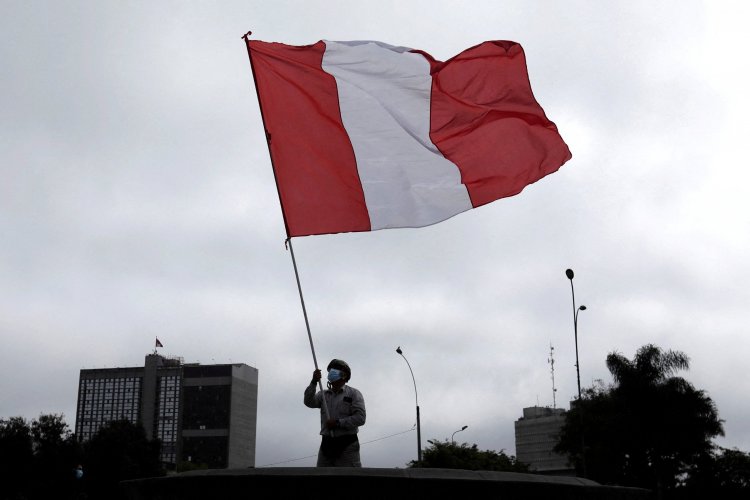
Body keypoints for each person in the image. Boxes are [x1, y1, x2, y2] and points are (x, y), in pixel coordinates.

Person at [304, 358, 366, 467]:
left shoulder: (354, 394)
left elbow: (360, 418)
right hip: (326, 444)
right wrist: (314, 381)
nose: (331, 372)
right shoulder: (323, 395)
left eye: (336, 369)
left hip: (348, 445)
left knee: (348, 475)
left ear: (344, 375)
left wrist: (338, 423)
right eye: (330, 370)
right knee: (322, 475)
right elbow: (308, 402)